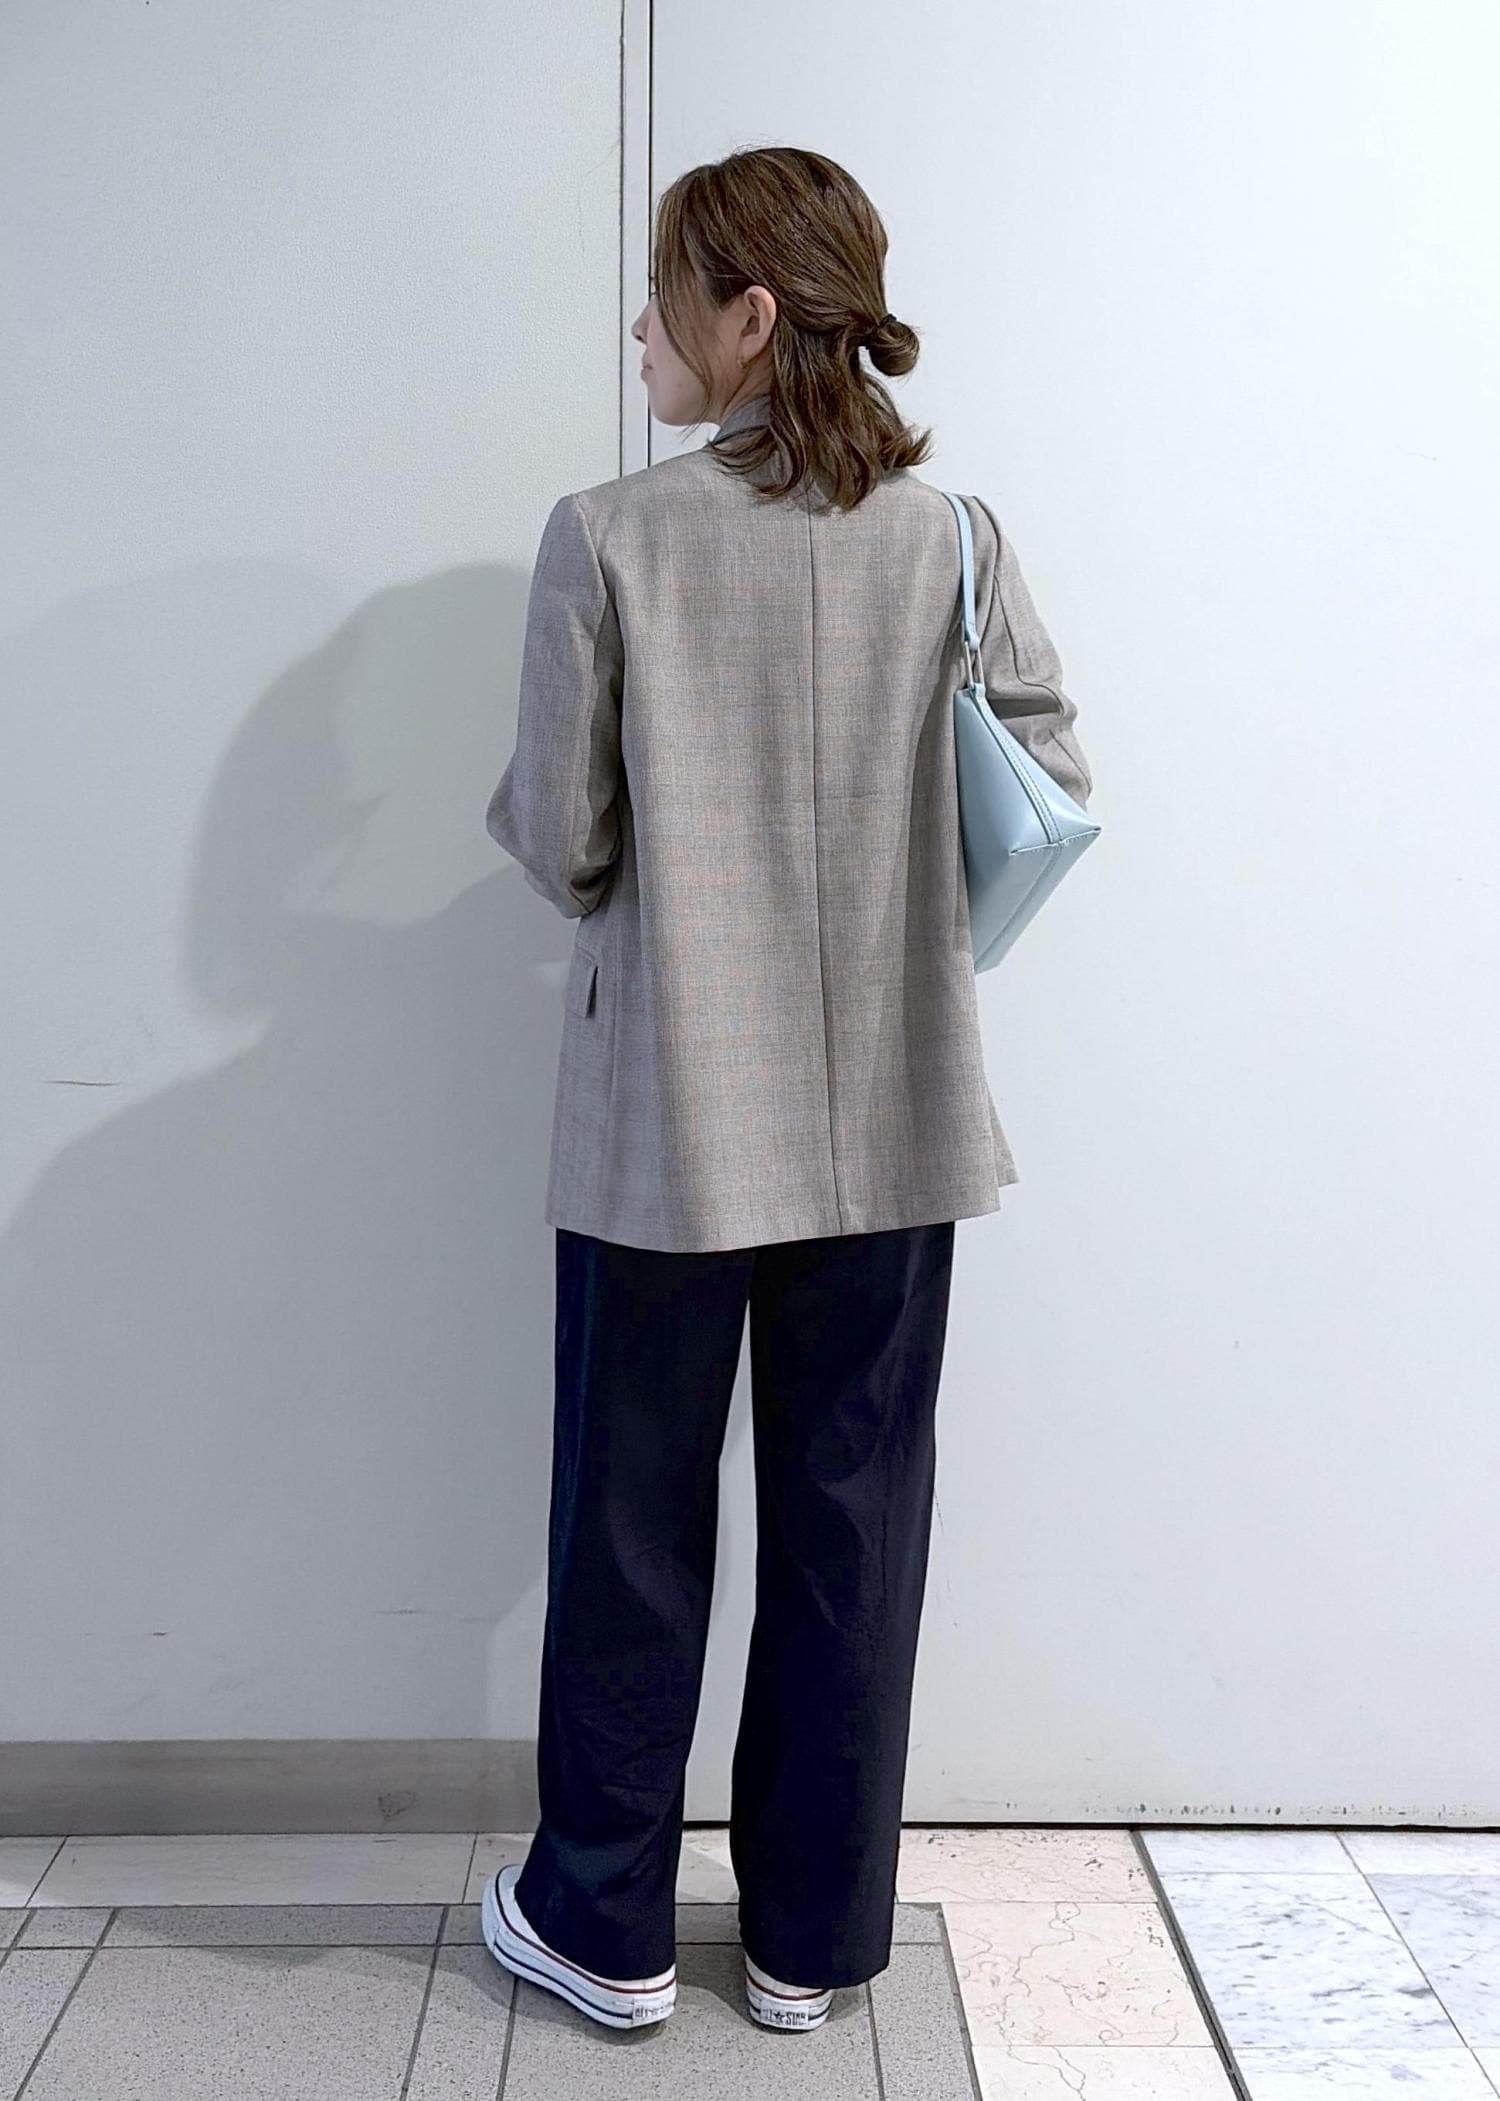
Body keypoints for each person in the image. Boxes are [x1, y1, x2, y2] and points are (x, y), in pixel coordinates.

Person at [479, 145, 1095, 2032]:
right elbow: (1052, 781)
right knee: (851, 1530)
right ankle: (813, 1943)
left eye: (665, 292)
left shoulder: (610, 536)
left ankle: (604, 1922)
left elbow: (566, 842)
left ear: (750, 317)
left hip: (668, 1126)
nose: (639, 326)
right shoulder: (953, 537)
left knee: (630, 1521)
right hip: (895, 1114)